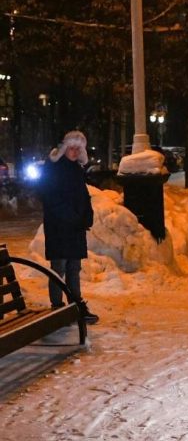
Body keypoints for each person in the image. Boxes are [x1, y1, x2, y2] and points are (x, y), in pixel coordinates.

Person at [39, 130, 99, 324]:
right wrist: (73, 217)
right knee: (59, 267)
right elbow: (51, 198)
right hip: (59, 227)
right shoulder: (53, 169)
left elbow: (83, 195)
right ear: (64, 148)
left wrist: (86, 216)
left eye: (77, 148)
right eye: (71, 148)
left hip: (74, 227)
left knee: (74, 267)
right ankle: (56, 307)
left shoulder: (76, 169)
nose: (74, 152)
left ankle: (76, 304)